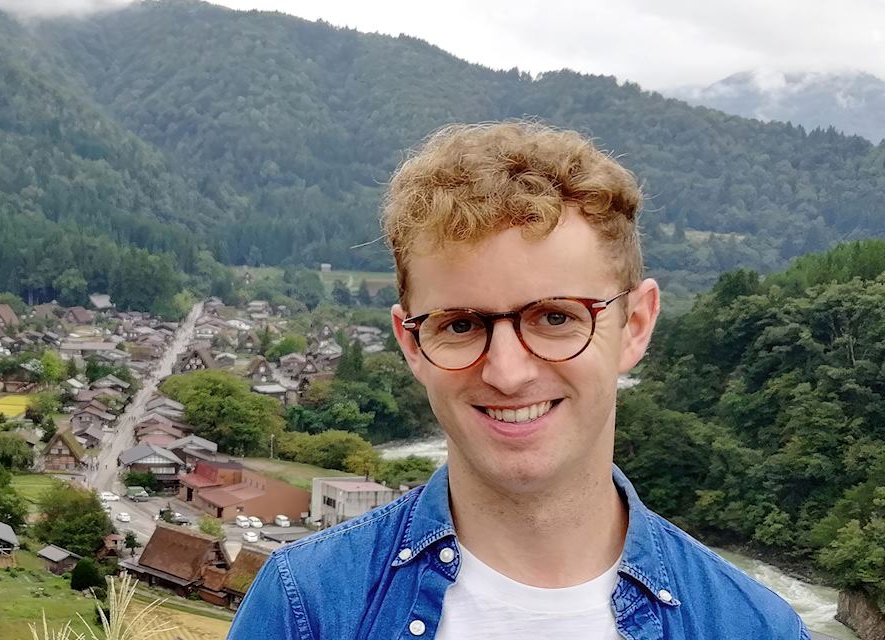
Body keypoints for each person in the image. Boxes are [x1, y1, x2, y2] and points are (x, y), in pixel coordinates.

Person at [227, 122, 806, 639]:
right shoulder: (307, 609)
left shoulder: (755, 627)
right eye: (460, 324)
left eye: (556, 317)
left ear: (634, 325)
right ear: (411, 343)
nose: (507, 373)